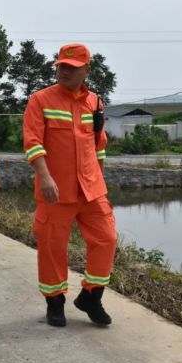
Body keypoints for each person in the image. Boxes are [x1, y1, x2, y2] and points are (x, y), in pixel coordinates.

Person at [22, 43, 117, 328]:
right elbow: (33, 142)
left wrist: (99, 180)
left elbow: (99, 145)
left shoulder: (95, 103)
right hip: (55, 189)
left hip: (91, 188)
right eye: (61, 66)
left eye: (71, 68)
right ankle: (55, 303)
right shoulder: (40, 100)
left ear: (86, 71)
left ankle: (91, 296)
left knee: (107, 238)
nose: (64, 71)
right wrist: (45, 177)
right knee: (53, 247)